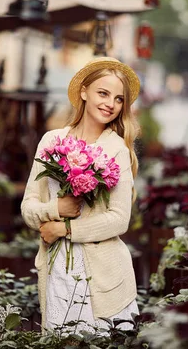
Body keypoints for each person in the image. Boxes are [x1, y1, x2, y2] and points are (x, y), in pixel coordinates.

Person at [21, 57, 141, 333]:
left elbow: (119, 220)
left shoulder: (116, 151)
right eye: (103, 93)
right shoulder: (52, 141)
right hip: (56, 271)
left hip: (104, 278)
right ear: (84, 92)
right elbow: (28, 207)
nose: (111, 103)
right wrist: (56, 208)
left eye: (119, 99)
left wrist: (64, 228)